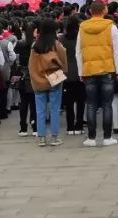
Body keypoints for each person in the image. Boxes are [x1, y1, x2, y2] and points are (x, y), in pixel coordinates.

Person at [76, 0, 118, 148]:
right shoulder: (111, 27)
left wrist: (80, 71)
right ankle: (107, 137)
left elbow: (78, 52)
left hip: (89, 70)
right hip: (107, 69)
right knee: (107, 104)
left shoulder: (82, 27)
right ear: (103, 10)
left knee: (91, 105)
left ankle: (91, 138)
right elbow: (116, 50)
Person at [28, 18, 67, 147]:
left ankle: (41, 138)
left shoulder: (35, 46)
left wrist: (35, 78)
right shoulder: (56, 44)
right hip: (54, 78)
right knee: (55, 109)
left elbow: (31, 65)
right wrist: (62, 73)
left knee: (40, 110)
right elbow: (63, 60)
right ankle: (54, 137)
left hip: (39, 80)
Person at [61, 15, 85, 136]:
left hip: (66, 73)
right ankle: (79, 125)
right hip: (81, 71)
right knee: (81, 101)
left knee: (68, 102)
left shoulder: (61, 40)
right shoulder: (81, 38)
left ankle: (70, 127)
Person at [14, 21, 36, 136]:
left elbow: (15, 58)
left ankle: (23, 127)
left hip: (23, 76)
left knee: (23, 102)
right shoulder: (36, 44)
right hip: (34, 75)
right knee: (34, 102)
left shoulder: (19, 43)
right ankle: (35, 126)